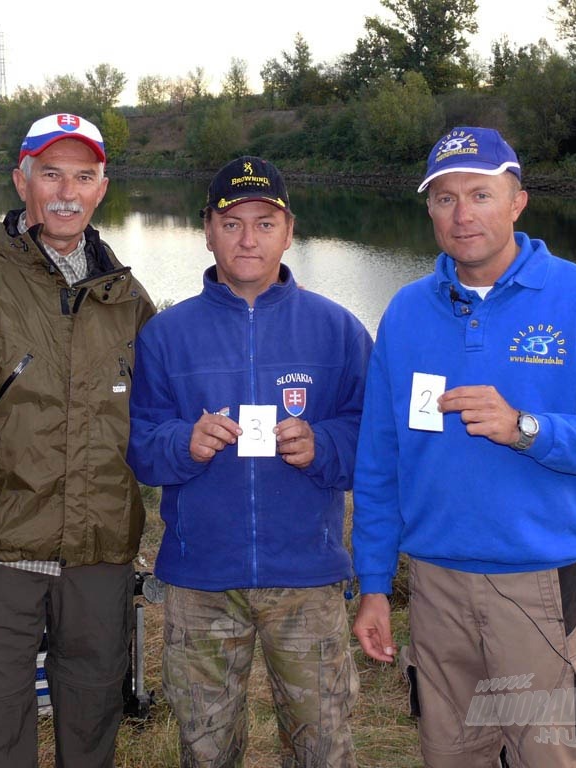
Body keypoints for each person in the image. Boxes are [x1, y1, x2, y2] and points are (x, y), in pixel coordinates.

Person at [351, 126, 576, 767]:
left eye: (481, 194)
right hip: (435, 589)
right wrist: (375, 585)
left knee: (547, 756)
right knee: (452, 755)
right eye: (444, 198)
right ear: (429, 208)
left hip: (537, 591)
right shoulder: (407, 313)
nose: (463, 215)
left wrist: (528, 428)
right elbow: (379, 463)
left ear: (517, 201)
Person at [0, 112, 156, 768]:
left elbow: (157, 427)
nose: (66, 191)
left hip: (100, 562)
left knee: (93, 727)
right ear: (22, 180)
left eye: (84, 175)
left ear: (103, 187)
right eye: (50, 173)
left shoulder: (129, 299)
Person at [126, 155, 373, 767]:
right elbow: (140, 445)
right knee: (206, 752)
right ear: (206, 229)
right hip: (201, 581)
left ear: (290, 232)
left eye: (265, 223)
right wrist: (184, 443)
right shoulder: (166, 334)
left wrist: (326, 446)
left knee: (322, 747)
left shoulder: (338, 331)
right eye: (232, 222)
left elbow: (373, 441)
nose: (248, 238)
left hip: (308, 579)